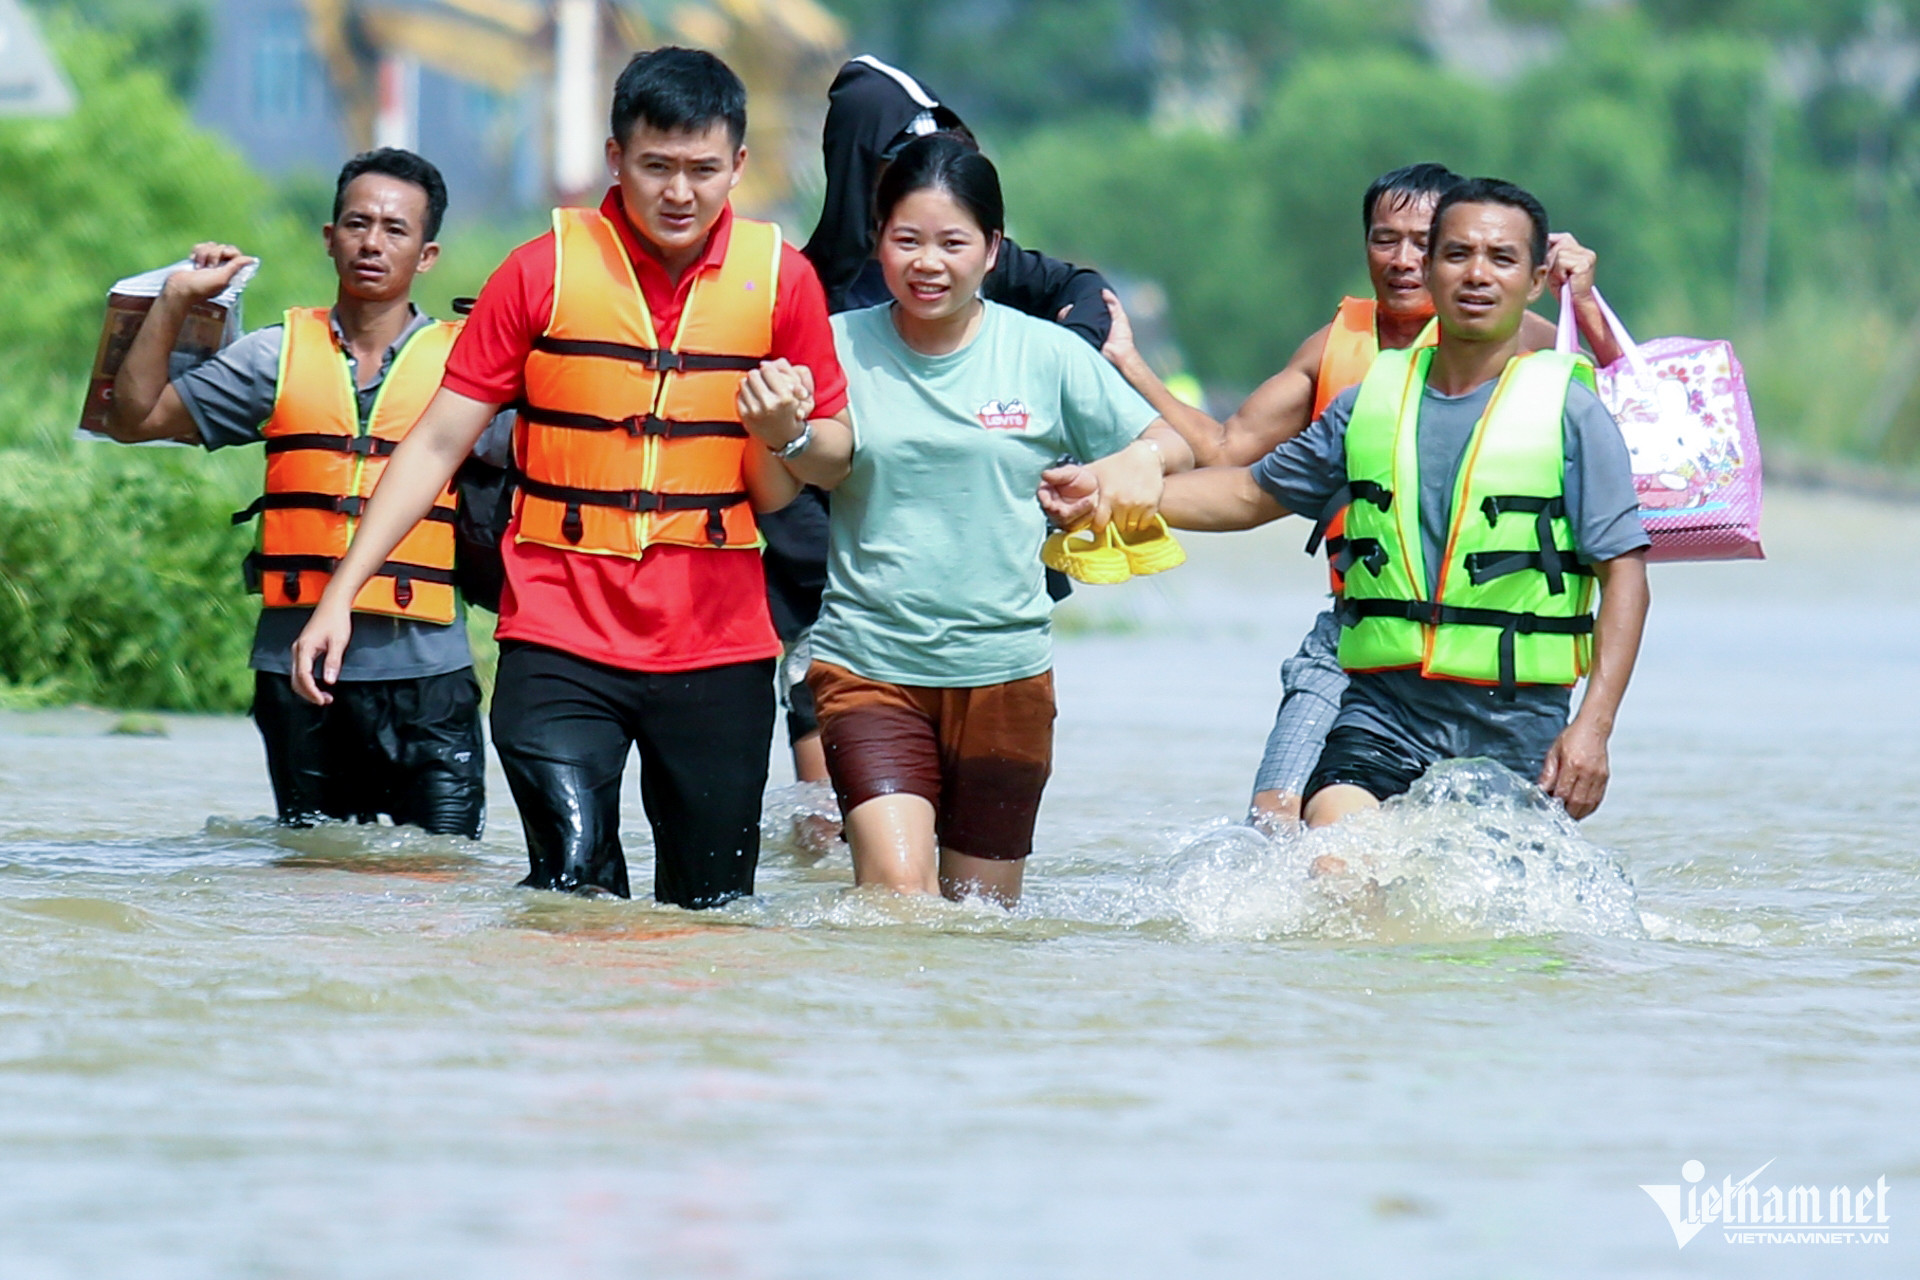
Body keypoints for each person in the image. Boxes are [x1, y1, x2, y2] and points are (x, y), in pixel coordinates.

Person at [291, 48, 849, 907]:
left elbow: (835, 455)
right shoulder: (539, 270)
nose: (679, 192)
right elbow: (435, 444)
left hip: (718, 643)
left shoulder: (784, 282)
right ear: (614, 157)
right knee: (570, 883)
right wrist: (339, 594)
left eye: (703, 170)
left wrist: (790, 433)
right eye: (656, 166)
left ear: (739, 164)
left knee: (713, 911)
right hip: (558, 638)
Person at [734, 134, 1193, 906]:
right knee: (898, 897)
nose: (928, 263)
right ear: (877, 241)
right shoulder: (835, 346)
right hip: (869, 666)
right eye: (906, 240)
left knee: (981, 923)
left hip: (1006, 675)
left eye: (952, 243)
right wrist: (780, 431)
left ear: (992, 250)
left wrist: (1128, 466)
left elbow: (1172, 441)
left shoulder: (1045, 354)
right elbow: (779, 492)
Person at [1100, 162, 1623, 829]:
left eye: (1421, 242)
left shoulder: (1524, 348)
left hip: (1494, 676)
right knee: (1281, 821)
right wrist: (1125, 395)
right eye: (1385, 239)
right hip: (1359, 635)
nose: (1402, 260)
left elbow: (1625, 403)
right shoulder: (1342, 362)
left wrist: (1584, 306)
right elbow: (1234, 461)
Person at [103, 149, 485, 838]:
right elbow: (134, 420)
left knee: (442, 875)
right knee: (314, 873)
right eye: (357, 224)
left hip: (429, 678)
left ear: (427, 255)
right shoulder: (274, 354)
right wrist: (177, 299)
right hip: (298, 672)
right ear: (329, 238)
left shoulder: (469, 365)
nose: (372, 242)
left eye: (395, 229)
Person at [759, 54, 1118, 784]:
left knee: (968, 842)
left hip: (975, 604)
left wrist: (1057, 371)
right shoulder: (800, 290)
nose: (929, 262)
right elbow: (775, 464)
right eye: (902, 157)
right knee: (825, 815)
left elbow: (1086, 294)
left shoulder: (983, 269)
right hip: (836, 596)